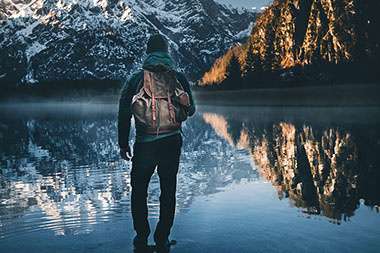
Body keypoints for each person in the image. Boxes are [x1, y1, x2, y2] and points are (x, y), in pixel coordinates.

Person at [118, 34, 196, 251]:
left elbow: (124, 112)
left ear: (148, 52)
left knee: (139, 190)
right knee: (168, 189)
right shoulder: (178, 77)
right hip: (172, 142)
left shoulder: (136, 79)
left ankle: (141, 236)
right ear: (166, 51)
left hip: (145, 144)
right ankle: (162, 237)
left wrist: (123, 143)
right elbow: (191, 110)